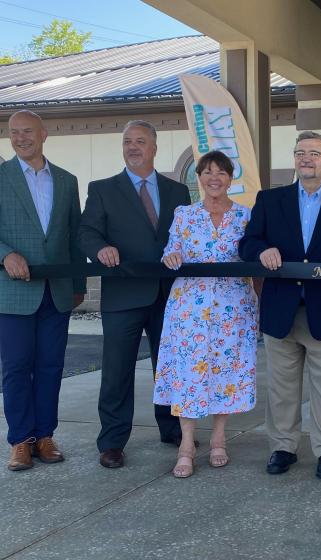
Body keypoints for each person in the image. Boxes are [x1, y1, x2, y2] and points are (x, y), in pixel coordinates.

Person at [239, 131, 321, 480]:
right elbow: (248, 241)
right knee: (281, 388)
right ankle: (283, 448)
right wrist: (260, 250)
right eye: (300, 152)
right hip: (281, 310)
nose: (306, 158)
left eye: (314, 153)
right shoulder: (269, 200)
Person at [0, 110, 85, 471]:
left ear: (43, 134)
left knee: (51, 367)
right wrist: (5, 255)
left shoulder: (65, 181)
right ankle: (20, 440)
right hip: (13, 293)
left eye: (27, 131)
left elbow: (73, 237)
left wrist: (77, 284)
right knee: (16, 368)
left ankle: (45, 436)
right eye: (14, 133)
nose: (20, 138)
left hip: (58, 292)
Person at [78, 120, 191, 469]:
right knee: (117, 371)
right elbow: (85, 233)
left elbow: (185, 236)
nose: (133, 147)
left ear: (154, 148)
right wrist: (100, 249)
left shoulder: (177, 191)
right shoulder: (102, 189)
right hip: (123, 294)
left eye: (140, 141)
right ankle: (112, 441)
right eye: (127, 141)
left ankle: (171, 428)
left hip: (168, 295)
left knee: (169, 367)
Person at [153, 151, 258, 478]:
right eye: (207, 172)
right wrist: (172, 256)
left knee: (224, 371)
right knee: (189, 374)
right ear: (198, 177)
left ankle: (218, 438)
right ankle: (186, 444)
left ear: (230, 178)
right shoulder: (184, 214)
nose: (214, 178)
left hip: (233, 309)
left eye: (222, 172)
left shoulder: (245, 216)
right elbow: (173, 248)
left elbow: (253, 254)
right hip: (190, 310)